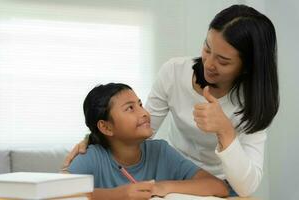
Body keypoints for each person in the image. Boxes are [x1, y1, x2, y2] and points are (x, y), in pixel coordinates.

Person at [63, 4, 279, 197]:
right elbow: (140, 129)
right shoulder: (174, 73)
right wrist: (96, 138)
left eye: (222, 61)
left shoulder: (255, 102)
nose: (209, 63)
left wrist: (225, 131)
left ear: (247, 67)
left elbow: (245, 187)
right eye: (207, 48)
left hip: (222, 186)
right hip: (176, 179)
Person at [65, 83, 229, 200]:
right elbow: (56, 194)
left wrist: (162, 187)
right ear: (106, 127)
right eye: (130, 108)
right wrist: (116, 195)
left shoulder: (161, 151)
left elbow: (218, 187)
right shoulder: (91, 157)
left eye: (140, 104)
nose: (144, 112)